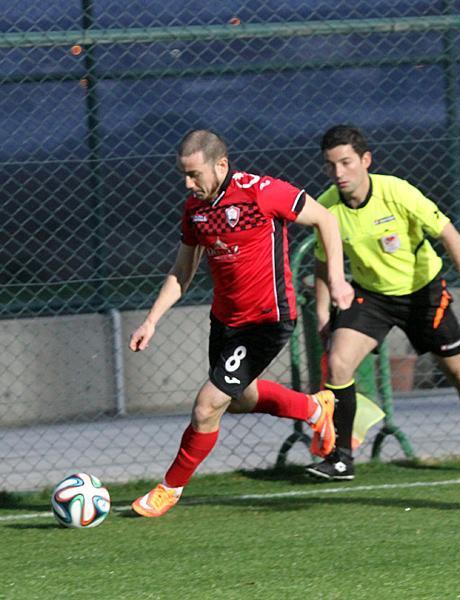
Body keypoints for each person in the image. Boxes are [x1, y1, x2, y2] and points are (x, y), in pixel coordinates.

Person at [128, 129, 354, 517]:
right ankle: (315, 409)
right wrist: (151, 320)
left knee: (207, 407)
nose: (188, 184)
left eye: (194, 175)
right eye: (184, 175)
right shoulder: (195, 210)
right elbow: (182, 271)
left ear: (221, 165)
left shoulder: (261, 192)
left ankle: (170, 488)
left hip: (267, 320)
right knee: (239, 400)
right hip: (225, 321)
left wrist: (336, 279)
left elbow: (326, 220)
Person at [306, 124, 460, 481]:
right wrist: (324, 312)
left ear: (366, 160)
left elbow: (448, 234)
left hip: (424, 296)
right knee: (338, 363)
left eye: (346, 162)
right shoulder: (326, 207)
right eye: (331, 165)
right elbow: (323, 263)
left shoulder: (397, 192)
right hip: (371, 297)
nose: (339, 172)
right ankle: (342, 458)